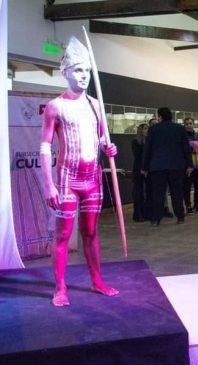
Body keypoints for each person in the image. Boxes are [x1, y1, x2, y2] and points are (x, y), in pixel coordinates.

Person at [39, 37, 119, 306]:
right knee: (62, 235)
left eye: (86, 70)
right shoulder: (56, 106)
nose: (83, 75)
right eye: (77, 70)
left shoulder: (96, 105)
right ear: (65, 73)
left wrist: (109, 148)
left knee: (91, 232)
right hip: (66, 180)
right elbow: (44, 148)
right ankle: (60, 287)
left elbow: (101, 140)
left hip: (93, 179)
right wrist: (48, 184)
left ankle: (97, 281)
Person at [142, 107, 193, 226]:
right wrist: (189, 164)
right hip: (176, 165)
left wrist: (144, 167)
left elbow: (147, 149)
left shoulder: (153, 129)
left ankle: (156, 219)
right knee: (177, 192)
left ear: (160, 116)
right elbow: (186, 148)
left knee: (158, 193)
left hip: (157, 166)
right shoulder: (179, 129)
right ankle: (180, 216)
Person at [183, 117, 198, 214]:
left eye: (190, 123)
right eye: (186, 124)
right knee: (186, 187)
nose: (189, 125)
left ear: (193, 124)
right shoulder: (182, 136)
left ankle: (196, 204)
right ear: (184, 125)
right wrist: (191, 147)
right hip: (188, 166)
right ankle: (188, 205)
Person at [132, 123, 149, 222]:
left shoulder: (149, 142)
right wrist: (143, 168)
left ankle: (146, 213)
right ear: (141, 130)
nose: (147, 130)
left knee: (147, 193)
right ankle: (138, 214)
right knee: (138, 193)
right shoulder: (136, 142)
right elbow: (138, 156)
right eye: (145, 129)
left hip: (147, 170)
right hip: (139, 170)